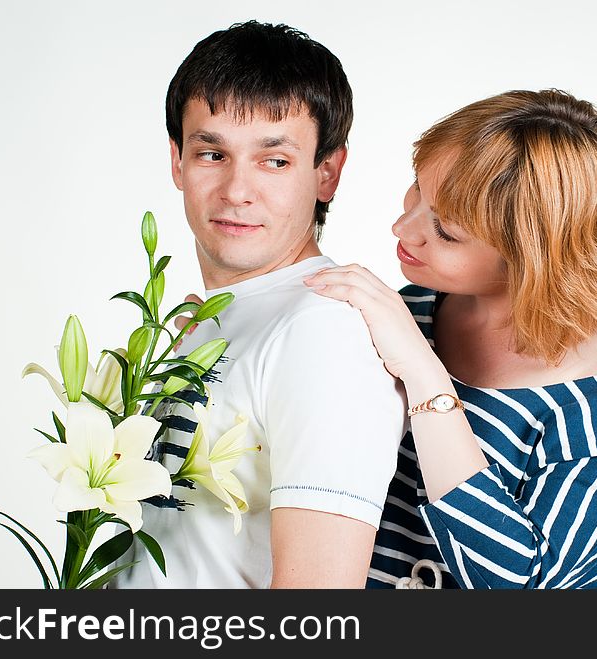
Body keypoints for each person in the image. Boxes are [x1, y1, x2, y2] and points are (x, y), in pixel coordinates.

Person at [301, 89, 597, 588]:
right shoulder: (412, 307)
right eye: (417, 189)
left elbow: (522, 586)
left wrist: (424, 375)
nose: (402, 227)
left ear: (537, 256)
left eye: (447, 231)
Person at [113, 21, 406, 589]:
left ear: (328, 172)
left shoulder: (325, 328)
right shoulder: (211, 318)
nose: (236, 190)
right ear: (177, 161)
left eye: (274, 161)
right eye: (211, 153)